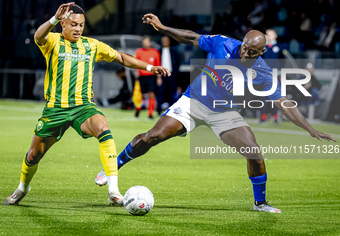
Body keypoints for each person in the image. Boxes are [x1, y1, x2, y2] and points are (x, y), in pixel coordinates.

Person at [95, 13, 336, 213]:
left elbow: (284, 103)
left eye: (251, 52)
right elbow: (191, 38)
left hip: (225, 113)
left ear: (260, 53)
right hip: (193, 102)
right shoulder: (223, 43)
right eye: (244, 47)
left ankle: (260, 204)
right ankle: (112, 169)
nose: (244, 53)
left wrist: (310, 129)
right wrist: (162, 27)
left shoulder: (263, 72)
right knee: (151, 137)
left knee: (255, 153)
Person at [4, 3, 170, 206]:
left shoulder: (92, 45)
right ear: (62, 24)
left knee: (104, 128)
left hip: (83, 107)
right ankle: (23, 187)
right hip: (55, 109)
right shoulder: (53, 41)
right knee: (33, 155)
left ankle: (113, 191)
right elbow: (38, 37)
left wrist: (150, 67)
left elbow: (121, 57)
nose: (77, 29)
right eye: (73, 24)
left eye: (81, 25)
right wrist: (52, 20)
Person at [134, 36, 161, 119]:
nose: (145, 43)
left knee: (151, 94)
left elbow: (158, 65)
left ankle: (150, 113)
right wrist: (136, 71)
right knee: (140, 95)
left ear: (150, 42)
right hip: (141, 76)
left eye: (147, 42)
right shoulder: (138, 52)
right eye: (144, 42)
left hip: (151, 76)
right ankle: (138, 109)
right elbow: (135, 63)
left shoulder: (155, 52)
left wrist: (159, 77)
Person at [156, 35, 180, 114]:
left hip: (171, 75)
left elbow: (177, 64)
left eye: (166, 40)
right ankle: (158, 110)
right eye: (163, 40)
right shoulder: (158, 52)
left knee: (171, 92)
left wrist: (175, 74)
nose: (165, 42)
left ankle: (171, 110)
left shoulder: (174, 52)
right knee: (160, 92)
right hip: (161, 75)